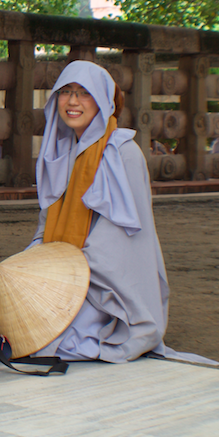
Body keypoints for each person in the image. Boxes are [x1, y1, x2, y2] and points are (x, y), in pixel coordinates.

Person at [27, 60, 173, 362]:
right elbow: (46, 222)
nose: (73, 102)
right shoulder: (61, 151)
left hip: (104, 279)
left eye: (84, 93)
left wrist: (70, 269)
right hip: (66, 265)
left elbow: (120, 237)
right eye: (66, 92)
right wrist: (33, 261)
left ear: (104, 100)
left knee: (59, 341)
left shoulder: (123, 152)